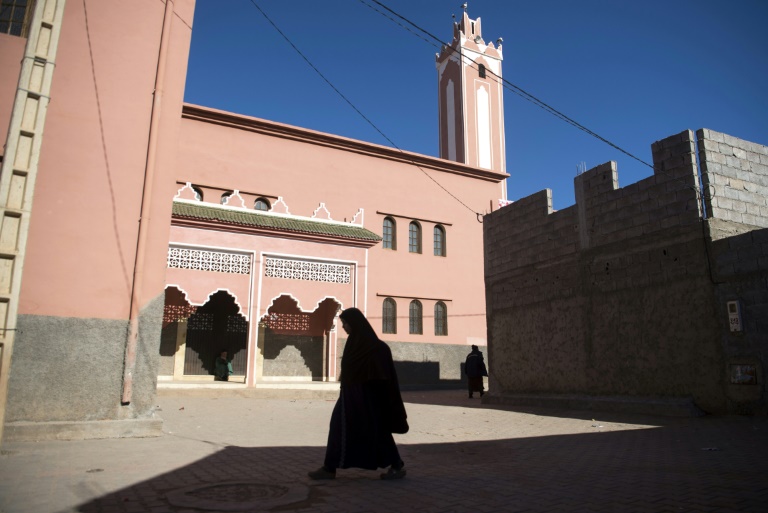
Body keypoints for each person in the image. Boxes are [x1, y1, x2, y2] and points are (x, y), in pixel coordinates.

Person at [308, 307, 408, 481]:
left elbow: (383, 378)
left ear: (355, 323)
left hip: (369, 399)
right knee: (339, 429)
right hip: (349, 397)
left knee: (376, 431)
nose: (344, 327)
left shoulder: (377, 348)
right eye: (343, 323)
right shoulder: (354, 344)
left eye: (346, 323)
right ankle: (329, 467)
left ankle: (396, 465)